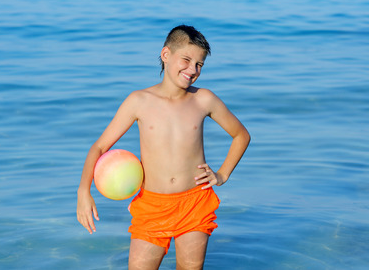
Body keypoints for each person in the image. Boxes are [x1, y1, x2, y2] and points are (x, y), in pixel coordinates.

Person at [77, 25, 250, 269]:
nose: (192, 70)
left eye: (199, 64)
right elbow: (99, 147)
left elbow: (241, 135)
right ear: (166, 55)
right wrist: (84, 191)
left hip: (194, 202)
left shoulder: (204, 99)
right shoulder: (139, 101)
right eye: (187, 60)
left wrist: (221, 174)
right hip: (152, 206)